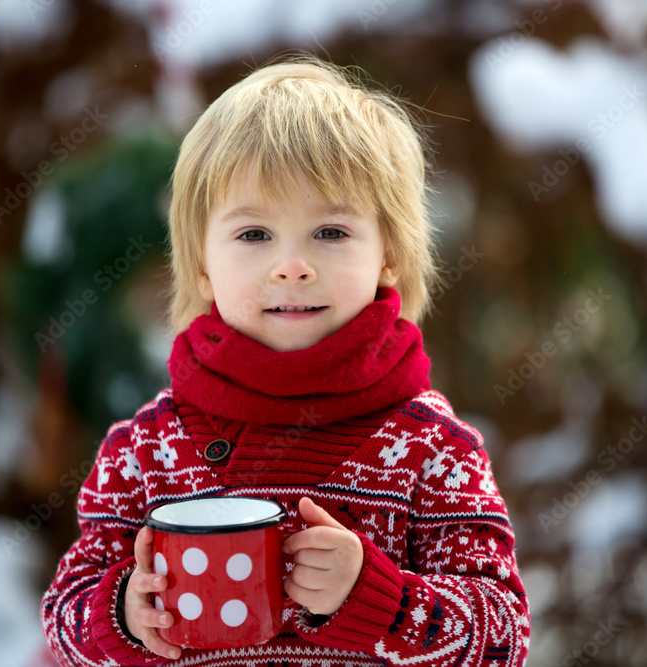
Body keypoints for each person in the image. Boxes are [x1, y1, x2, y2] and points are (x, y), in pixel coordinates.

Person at [41, 53, 530, 666]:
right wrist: (124, 613)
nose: (292, 265)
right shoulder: (146, 452)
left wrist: (378, 598)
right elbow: (65, 616)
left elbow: (503, 638)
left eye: (330, 232)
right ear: (201, 265)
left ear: (389, 255)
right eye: (253, 235)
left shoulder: (431, 450)